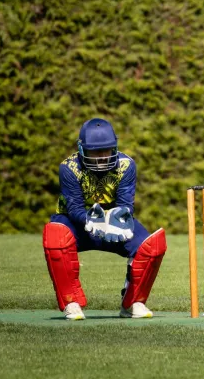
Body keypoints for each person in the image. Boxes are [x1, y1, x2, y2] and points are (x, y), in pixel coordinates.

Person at [42, 118, 166, 320]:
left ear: (114, 147)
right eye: (95, 152)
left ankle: (133, 302)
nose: (101, 157)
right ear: (82, 150)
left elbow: (126, 203)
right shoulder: (68, 168)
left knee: (151, 247)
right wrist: (90, 219)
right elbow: (74, 208)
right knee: (55, 236)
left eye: (106, 150)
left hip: (113, 223)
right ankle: (71, 303)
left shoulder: (126, 165)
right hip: (77, 224)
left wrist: (119, 217)